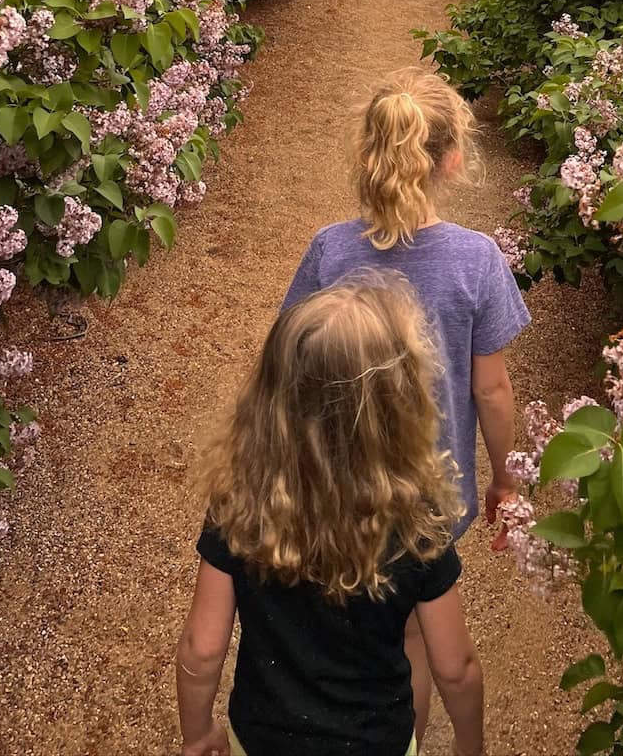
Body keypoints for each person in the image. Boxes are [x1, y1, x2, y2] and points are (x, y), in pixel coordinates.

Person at [280, 66, 530, 743]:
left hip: (335, 478)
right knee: (413, 637)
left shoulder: (331, 250)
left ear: (369, 153)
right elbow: (492, 390)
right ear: (452, 159)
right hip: (429, 491)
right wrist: (506, 478)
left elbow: (292, 361)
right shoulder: (477, 261)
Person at [175, 278, 485, 756]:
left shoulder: (240, 498)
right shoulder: (416, 517)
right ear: (400, 400)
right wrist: (470, 744)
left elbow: (202, 646)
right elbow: (454, 666)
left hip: (261, 740)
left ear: (271, 394)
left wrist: (197, 733)